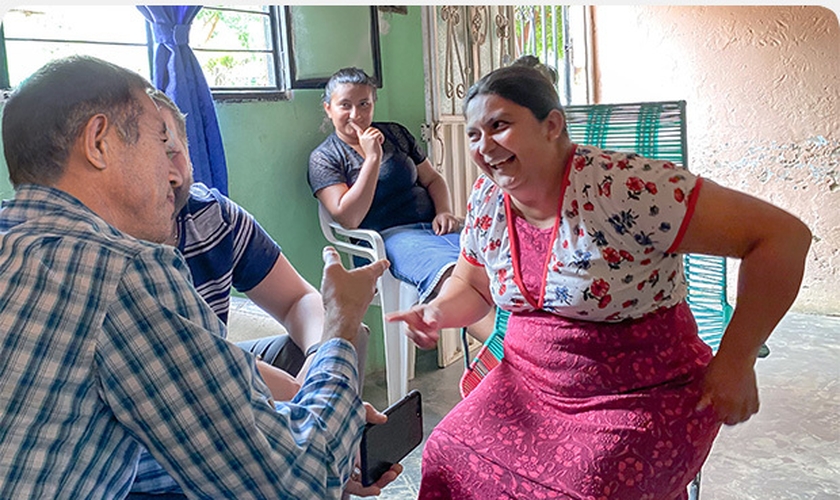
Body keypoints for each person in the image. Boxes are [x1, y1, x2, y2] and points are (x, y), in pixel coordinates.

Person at [388, 58, 811, 499]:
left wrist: (736, 360)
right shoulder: (488, 199)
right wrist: (436, 312)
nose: (484, 145)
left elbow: (782, 237)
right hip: (530, 386)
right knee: (446, 454)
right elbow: (473, 287)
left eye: (499, 125)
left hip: (640, 395)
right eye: (474, 134)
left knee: (584, 490)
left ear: (552, 125)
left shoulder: (625, 188)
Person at [0, 55, 390, 499]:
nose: (171, 171)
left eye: (175, 147)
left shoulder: (19, 240)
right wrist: (339, 329)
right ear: (99, 143)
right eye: (157, 141)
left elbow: (88, 446)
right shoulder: (121, 269)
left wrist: (305, 407)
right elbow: (294, 486)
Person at [126, 91, 399, 499]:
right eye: (145, 154)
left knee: (344, 338)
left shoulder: (211, 216)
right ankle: (318, 464)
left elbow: (296, 300)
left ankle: (334, 472)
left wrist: (316, 361)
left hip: (212, 365)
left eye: (172, 150)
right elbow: (183, 368)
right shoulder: (106, 253)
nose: (168, 173)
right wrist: (305, 397)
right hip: (163, 392)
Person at [308, 67, 493, 341]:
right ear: (328, 108)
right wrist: (372, 159)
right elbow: (349, 218)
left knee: (495, 253)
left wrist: (443, 211)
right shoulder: (325, 157)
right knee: (455, 273)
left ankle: (526, 346)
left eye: (364, 104)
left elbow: (433, 179)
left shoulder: (394, 133)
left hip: (433, 229)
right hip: (385, 241)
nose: (356, 115)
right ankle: (509, 356)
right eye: (344, 105)